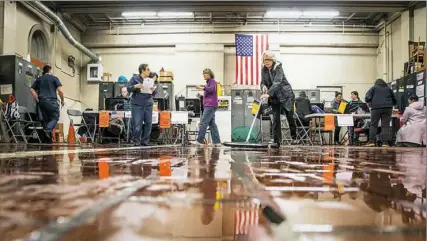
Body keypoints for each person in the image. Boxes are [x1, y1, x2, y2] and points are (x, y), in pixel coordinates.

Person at [260, 50, 296, 148]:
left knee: (289, 116)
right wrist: (263, 86)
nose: (267, 62)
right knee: (276, 118)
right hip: (275, 97)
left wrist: (268, 93)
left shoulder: (278, 68)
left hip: (286, 95)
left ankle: (294, 136)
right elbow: (262, 82)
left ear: (273, 60)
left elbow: (277, 82)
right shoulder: (264, 69)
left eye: (269, 60)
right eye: (265, 60)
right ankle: (277, 141)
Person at [30, 64, 64, 143]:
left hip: (42, 102)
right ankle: (47, 130)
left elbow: (31, 90)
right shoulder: (54, 78)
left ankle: (47, 140)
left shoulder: (39, 79)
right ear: (50, 70)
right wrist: (62, 100)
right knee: (55, 118)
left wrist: (37, 99)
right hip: (52, 101)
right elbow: (60, 91)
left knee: (45, 120)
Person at [127, 64, 157, 146]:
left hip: (148, 104)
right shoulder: (134, 78)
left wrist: (153, 90)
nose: (149, 71)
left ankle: (145, 142)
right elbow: (128, 88)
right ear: (142, 70)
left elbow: (155, 93)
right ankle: (137, 141)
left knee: (148, 124)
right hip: (137, 105)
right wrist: (135, 86)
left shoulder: (150, 80)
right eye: (147, 69)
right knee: (137, 125)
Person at [193, 68, 221, 147]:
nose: (204, 75)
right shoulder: (209, 83)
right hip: (211, 105)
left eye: (206, 74)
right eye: (204, 74)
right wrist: (201, 96)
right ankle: (217, 142)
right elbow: (210, 94)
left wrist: (202, 88)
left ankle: (199, 141)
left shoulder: (212, 81)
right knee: (212, 124)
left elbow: (212, 90)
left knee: (203, 122)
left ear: (210, 75)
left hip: (210, 106)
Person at [365, 78, 397, 147]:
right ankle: (385, 143)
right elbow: (394, 99)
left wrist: (370, 101)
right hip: (387, 108)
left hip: (376, 108)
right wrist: (391, 105)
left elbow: (367, 98)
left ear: (376, 83)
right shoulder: (388, 89)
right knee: (385, 126)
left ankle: (372, 142)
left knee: (374, 125)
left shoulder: (373, 88)